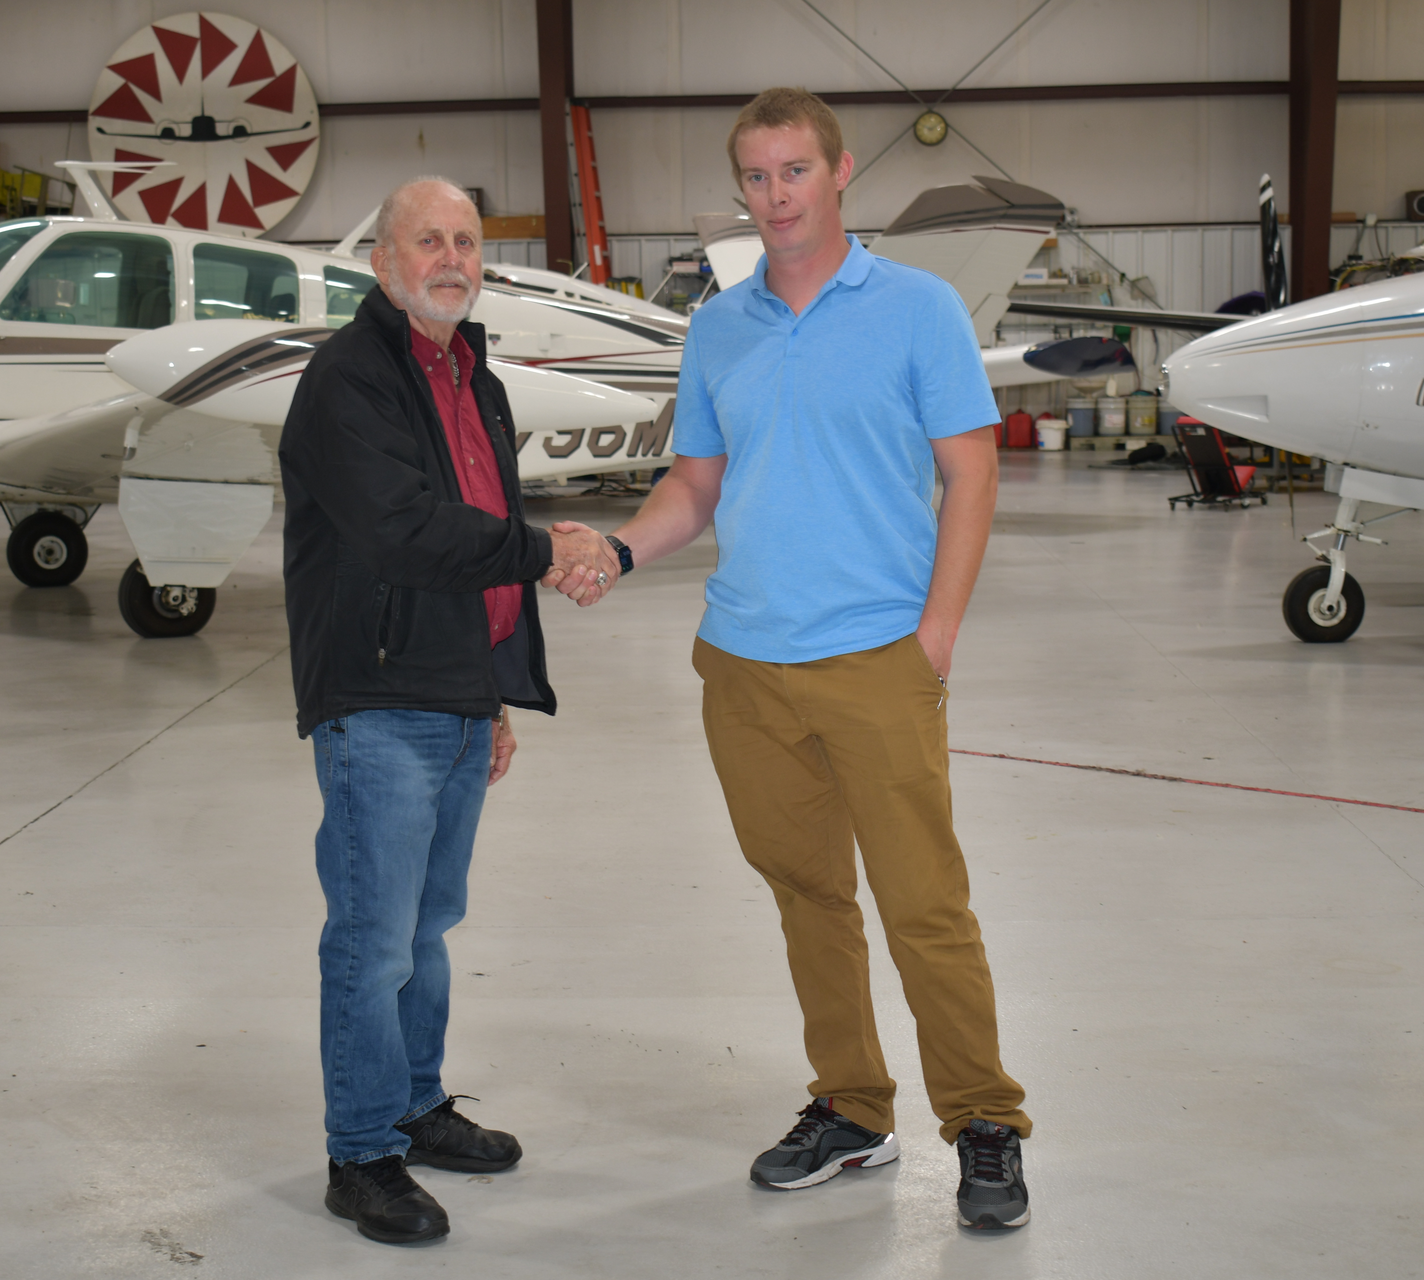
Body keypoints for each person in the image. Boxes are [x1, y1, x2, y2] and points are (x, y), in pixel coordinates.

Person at [578, 88, 1032, 1230]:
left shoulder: (918, 309)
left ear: (839, 178)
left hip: (879, 655)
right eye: (756, 175)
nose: (775, 195)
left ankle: (983, 1122)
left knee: (925, 901)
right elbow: (697, 485)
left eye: (795, 171)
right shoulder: (719, 326)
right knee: (809, 894)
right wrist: (623, 551)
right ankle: (853, 1106)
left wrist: (934, 637)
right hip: (744, 660)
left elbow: (972, 473)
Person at [278, 175, 617, 1246]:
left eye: (466, 239)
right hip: (377, 696)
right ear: (383, 262)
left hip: (455, 694)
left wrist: (498, 688)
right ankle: (362, 1151)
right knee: (373, 938)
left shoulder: (477, 376)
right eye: (428, 239)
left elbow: (482, 523)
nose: (451, 256)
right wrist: (548, 551)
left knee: (426, 928)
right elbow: (404, 531)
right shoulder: (350, 379)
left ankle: (416, 1105)